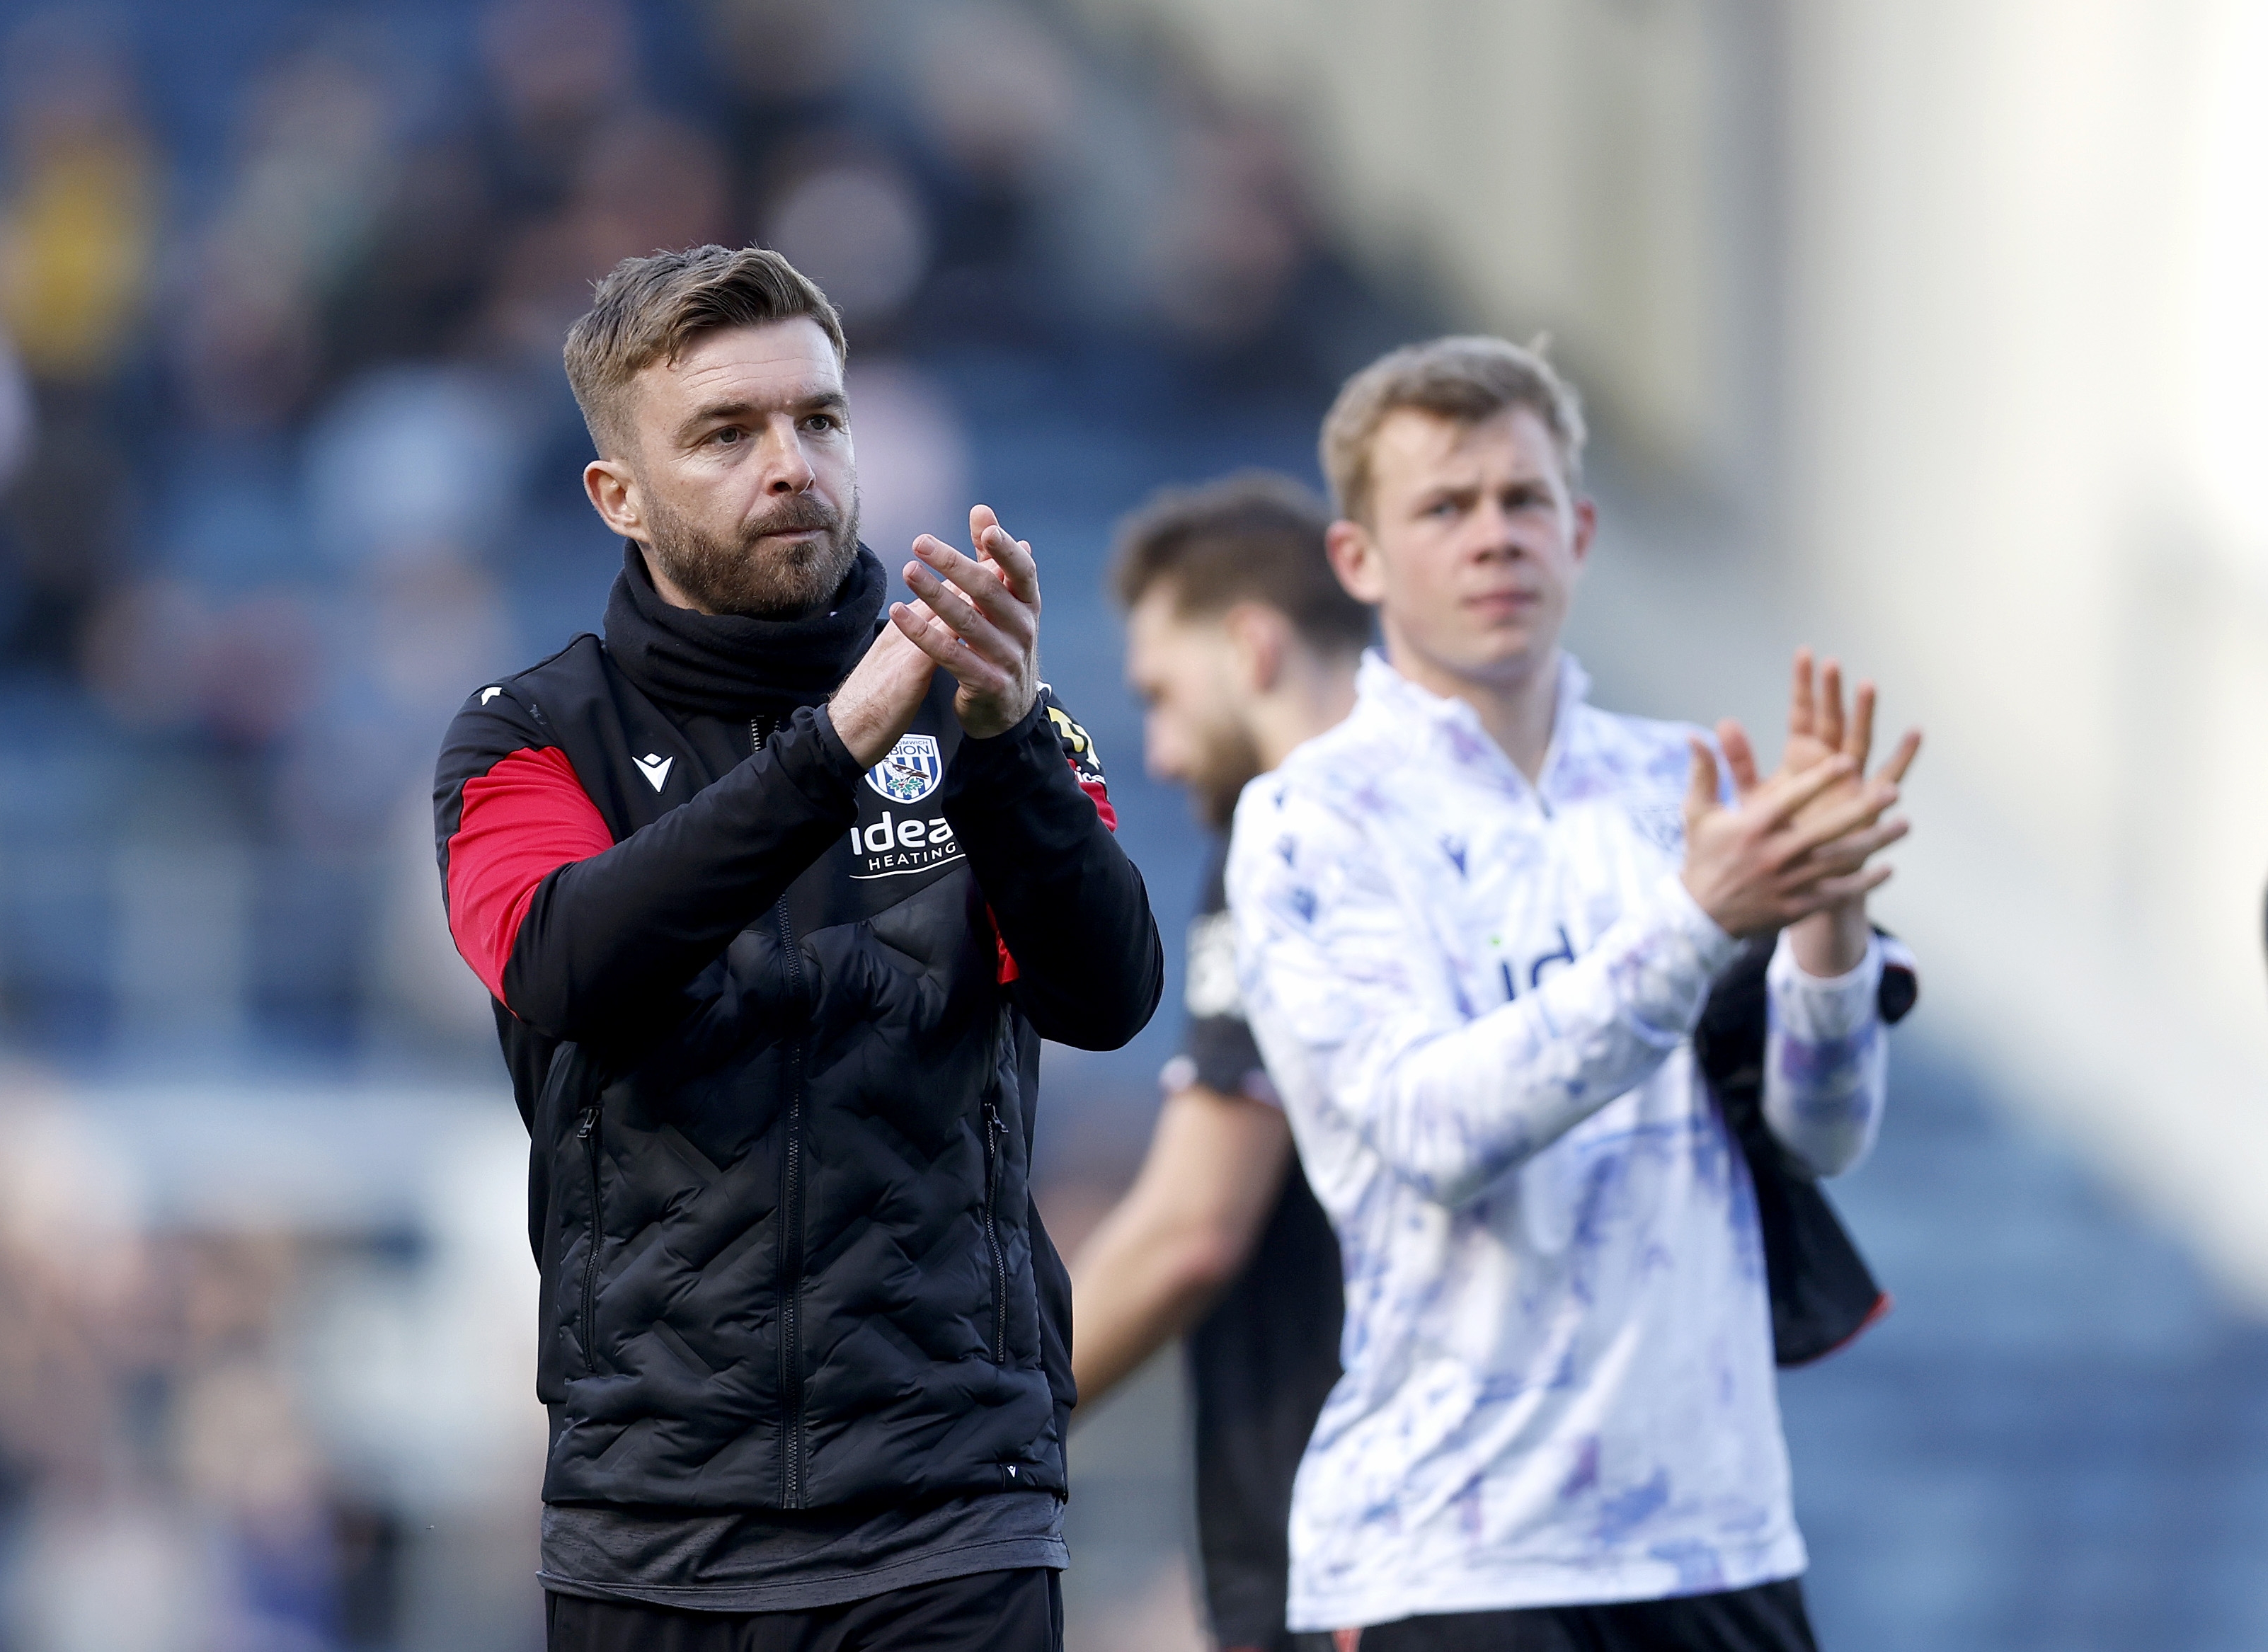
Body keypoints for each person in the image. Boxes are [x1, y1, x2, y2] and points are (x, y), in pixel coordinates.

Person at [432, 245, 1162, 1651]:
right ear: (616, 496)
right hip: (654, 1531)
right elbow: (562, 965)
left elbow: (1107, 996)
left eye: (817, 420)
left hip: (954, 1513)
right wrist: (832, 752)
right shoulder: (525, 738)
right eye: (726, 431)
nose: (791, 463)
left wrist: (1002, 746)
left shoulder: (990, 711)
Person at [1224, 336, 1922, 1651]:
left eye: (1523, 500)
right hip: (1454, 1554)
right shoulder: (1310, 818)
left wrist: (1824, 935)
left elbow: (1823, 1137)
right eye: (1445, 506)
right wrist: (1698, 921)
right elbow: (1436, 1131)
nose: (1495, 537)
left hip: (1717, 1532)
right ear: (1357, 560)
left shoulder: (1686, 790)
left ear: (1581, 530)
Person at [1066, 473, 1360, 1652]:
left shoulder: (1293, 834)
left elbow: (1193, 1225)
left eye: (1163, 693)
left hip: (1356, 1533)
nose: (1160, 748)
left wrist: (960, 1445)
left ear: (1250, 645)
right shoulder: (1491, 818)